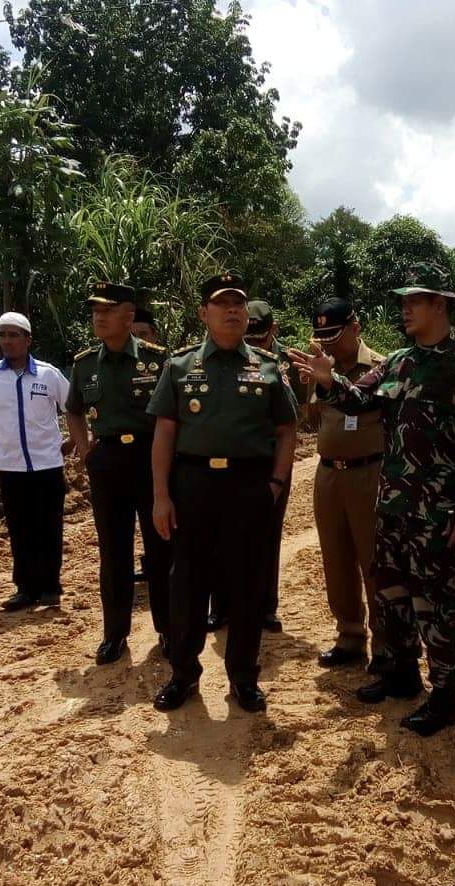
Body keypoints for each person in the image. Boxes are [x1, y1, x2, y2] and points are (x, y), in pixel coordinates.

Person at [289, 262, 455, 737]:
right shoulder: (400, 361)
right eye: (403, 301)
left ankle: (445, 696)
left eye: (414, 301)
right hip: (394, 505)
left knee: (438, 602)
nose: (404, 309)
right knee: (392, 595)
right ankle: (401, 674)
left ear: (440, 305)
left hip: (439, 511)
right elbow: (357, 400)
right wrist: (326, 380)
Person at [149, 273, 297, 713]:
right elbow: (164, 434)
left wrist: (274, 483)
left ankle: (243, 678)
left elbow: (287, 431)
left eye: (239, 303)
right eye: (222, 303)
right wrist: (161, 494)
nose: (233, 310)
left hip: (248, 485)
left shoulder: (269, 368)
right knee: (188, 582)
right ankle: (183, 675)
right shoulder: (179, 367)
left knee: (247, 585)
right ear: (204, 313)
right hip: (192, 485)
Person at [64, 282, 171, 665]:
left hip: (150, 458)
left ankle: (168, 630)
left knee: (161, 548)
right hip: (107, 461)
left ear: (128, 317)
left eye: (108, 311)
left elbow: (170, 416)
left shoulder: (157, 360)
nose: (99, 317)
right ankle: (115, 634)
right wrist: (83, 448)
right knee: (113, 551)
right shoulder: (85, 364)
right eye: (96, 311)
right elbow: (73, 410)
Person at [207, 299, 306, 634]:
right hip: (233, 457)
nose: (255, 342)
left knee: (267, 534)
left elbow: (297, 415)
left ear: (273, 331)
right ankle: (220, 606)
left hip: (271, 457)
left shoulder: (287, 362)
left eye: (262, 337)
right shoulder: (229, 354)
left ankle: (265, 606)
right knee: (219, 534)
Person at [307, 298, 389, 673]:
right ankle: (349, 635)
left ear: (355, 327)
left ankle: (387, 642)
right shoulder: (321, 366)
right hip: (328, 475)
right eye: (322, 337)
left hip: (369, 474)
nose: (328, 345)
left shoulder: (381, 367)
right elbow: (314, 417)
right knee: (335, 559)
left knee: (375, 561)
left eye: (334, 336)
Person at [0, 311, 70, 611]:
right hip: (12, 466)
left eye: (14, 335)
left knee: (50, 526)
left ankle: (51, 587)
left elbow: (73, 408)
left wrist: (71, 443)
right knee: (20, 529)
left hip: (48, 464)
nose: (7, 341)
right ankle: (26, 588)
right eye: (2, 335)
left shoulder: (48, 374)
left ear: (28, 339)